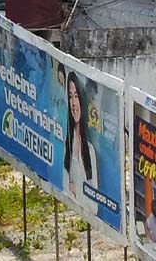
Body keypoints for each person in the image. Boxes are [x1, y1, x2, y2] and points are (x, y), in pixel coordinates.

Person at [64, 71, 98, 210]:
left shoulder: (89, 150)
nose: (73, 103)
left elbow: (95, 206)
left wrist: (76, 191)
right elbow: (62, 187)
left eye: (76, 96)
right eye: (70, 97)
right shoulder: (65, 145)